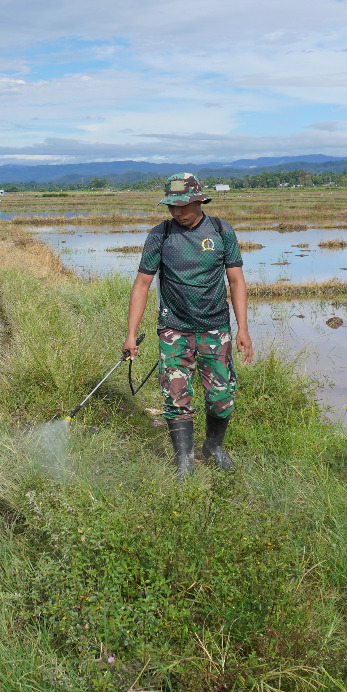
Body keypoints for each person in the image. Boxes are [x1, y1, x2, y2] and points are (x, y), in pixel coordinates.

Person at [123, 172, 254, 477]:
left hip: (215, 328)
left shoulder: (221, 231)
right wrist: (131, 334)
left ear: (199, 200)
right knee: (175, 397)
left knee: (222, 397)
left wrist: (242, 329)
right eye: (171, 206)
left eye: (182, 206)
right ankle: (185, 459)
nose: (176, 212)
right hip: (174, 329)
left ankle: (214, 446)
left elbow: (236, 281)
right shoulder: (160, 235)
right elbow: (142, 283)